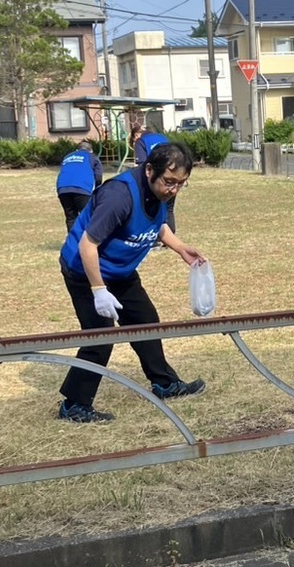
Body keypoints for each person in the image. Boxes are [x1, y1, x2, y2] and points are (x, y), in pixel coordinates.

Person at [57, 141, 207, 423]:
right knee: (100, 336)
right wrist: (98, 291)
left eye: (181, 184)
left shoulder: (159, 193)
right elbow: (87, 245)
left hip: (120, 272)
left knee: (146, 322)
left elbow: (157, 225)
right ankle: (74, 404)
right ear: (149, 170)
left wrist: (181, 248)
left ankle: (164, 384)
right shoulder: (119, 196)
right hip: (85, 272)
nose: (174, 190)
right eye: (169, 182)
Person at [132, 125, 179, 234]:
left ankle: (154, 236)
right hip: (173, 175)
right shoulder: (163, 138)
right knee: (168, 208)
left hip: (157, 179)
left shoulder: (141, 141)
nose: (134, 141)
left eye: (133, 138)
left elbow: (142, 165)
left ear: (137, 135)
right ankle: (170, 234)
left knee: (151, 208)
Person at [56, 141, 103, 232]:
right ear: (91, 150)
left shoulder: (67, 157)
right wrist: (97, 190)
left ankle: (73, 243)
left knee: (71, 217)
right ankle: (89, 242)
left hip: (63, 188)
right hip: (82, 188)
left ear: (77, 150)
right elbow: (98, 176)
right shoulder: (92, 157)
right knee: (88, 216)